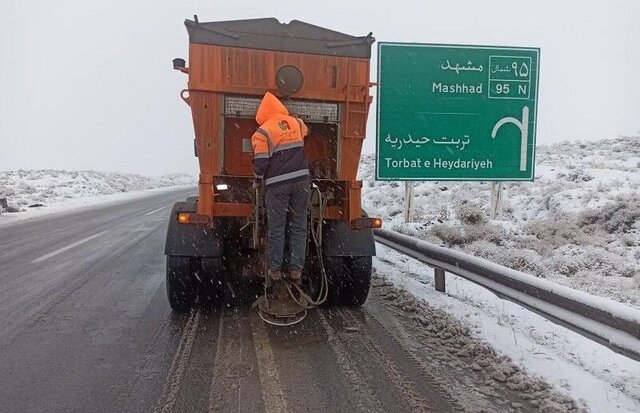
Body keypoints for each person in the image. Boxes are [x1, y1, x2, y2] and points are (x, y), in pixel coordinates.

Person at [251, 92, 310, 282]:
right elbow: (307, 131)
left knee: (276, 228)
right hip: (302, 181)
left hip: (277, 185)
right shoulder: (296, 123)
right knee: (298, 226)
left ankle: (275, 270)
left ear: (262, 114)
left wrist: (257, 179)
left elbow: (261, 162)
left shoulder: (262, 132)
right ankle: (296, 270)